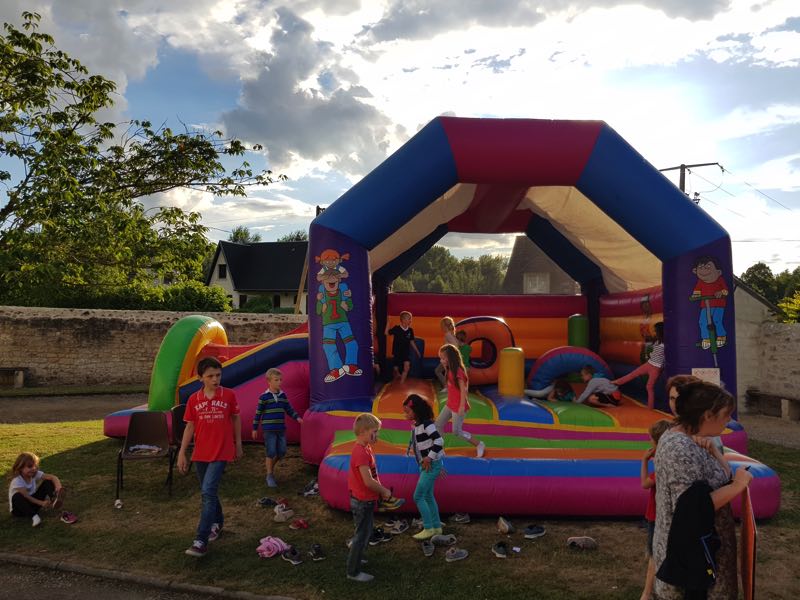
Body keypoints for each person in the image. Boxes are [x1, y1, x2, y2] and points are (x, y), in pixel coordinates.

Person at [653, 381, 753, 600]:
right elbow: (691, 509)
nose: (729, 420)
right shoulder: (679, 449)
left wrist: (714, 452)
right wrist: (737, 486)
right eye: (726, 414)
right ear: (708, 415)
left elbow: (722, 476)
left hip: (707, 554)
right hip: (692, 563)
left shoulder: (696, 441)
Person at [178, 357, 243, 558]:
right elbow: (190, 426)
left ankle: (200, 540)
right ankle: (218, 522)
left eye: (218, 375)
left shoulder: (229, 395)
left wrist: (238, 444)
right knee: (209, 492)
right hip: (200, 453)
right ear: (200, 378)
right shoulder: (193, 400)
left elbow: (235, 418)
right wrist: (182, 452)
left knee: (207, 492)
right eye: (210, 376)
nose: (215, 379)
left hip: (221, 451)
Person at [346, 413, 395, 583]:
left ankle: (357, 556)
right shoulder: (360, 453)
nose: (377, 435)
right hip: (361, 501)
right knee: (361, 535)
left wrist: (378, 490)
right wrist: (384, 491)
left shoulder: (366, 448)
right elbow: (367, 481)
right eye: (375, 431)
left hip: (365, 499)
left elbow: (373, 475)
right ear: (364, 431)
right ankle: (353, 571)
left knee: (365, 531)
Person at [251, 368, 303, 488]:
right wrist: (254, 428)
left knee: (282, 451)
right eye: (276, 380)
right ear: (269, 381)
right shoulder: (264, 397)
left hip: (280, 429)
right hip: (269, 429)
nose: (279, 382)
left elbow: (289, 409)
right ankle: (269, 475)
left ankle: (271, 468)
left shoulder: (282, 395)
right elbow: (258, 413)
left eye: (280, 380)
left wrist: (297, 418)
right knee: (271, 452)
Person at [403, 393, 444, 541]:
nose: (405, 414)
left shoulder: (427, 424)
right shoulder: (418, 426)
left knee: (418, 496)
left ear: (417, 410)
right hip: (426, 465)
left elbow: (439, 441)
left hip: (430, 465)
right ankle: (436, 527)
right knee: (427, 495)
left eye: (408, 411)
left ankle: (428, 528)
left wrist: (430, 458)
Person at [640, 419, 673, 600]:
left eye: (651, 440)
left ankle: (647, 593)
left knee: (654, 554)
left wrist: (644, 460)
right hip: (659, 514)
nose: (650, 443)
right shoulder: (668, 462)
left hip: (656, 515)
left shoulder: (661, 466)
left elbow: (645, 483)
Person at [434, 344, 485, 458]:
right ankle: (441, 451)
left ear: (450, 357)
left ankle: (479, 444)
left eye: (443, 358)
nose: (441, 361)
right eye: (440, 358)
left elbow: (464, 390)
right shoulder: (449, 369)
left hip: (458, 406)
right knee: (438, 425)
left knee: (457, 432)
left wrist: (461, 407)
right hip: (450, 404)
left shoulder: (458, 371)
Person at [8, 452, 70, 527]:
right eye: (30, 466)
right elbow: (27, 496)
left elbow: (53, 477)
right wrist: (41, 503)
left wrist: (59, 489)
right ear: (20, 468)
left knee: (48, 481)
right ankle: (34, 517)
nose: (33, 469)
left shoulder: (33, 473)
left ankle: (55, 499)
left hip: (33, 504)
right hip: (20, 510)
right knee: (17, 496)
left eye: (35, 466)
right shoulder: (17, 480)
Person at [612, 321, 665, 409]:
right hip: (649, 363)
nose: (655, 332)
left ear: (660, 331)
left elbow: (665, 358)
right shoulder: (658, 341)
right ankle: (617, 382)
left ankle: (650, 407)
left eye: (656, 331)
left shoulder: (665, 344)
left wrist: (661, 368)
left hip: (656, 368)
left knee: (649, 387)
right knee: (633, 374)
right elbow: (649, 340)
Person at [386, 311, 421, 383]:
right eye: (409, 319)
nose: (410, 320)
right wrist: (388, 323)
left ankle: (402, 383)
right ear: (403, 320)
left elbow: (411, 341)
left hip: (405, 353)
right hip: (397, 352)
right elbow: (386, 333)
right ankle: (396, 374)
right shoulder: (396, 328)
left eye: (410, 319)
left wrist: (417, 351)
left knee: (407, 367)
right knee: (396, 369)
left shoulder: (410, 330)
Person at [434, 317, 460, 387]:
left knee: (438, 371)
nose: (441, 328)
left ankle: (447, 386)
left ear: (444, 326)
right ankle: (449, 386)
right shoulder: (452, 334)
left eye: (442, 326)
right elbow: (457, 344)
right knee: (447, 372)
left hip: (449, 357)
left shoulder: (448, 334)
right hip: (451, 357)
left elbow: (455, 345)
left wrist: (447, 353)